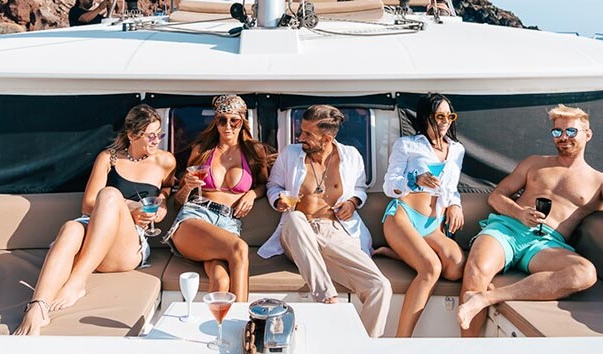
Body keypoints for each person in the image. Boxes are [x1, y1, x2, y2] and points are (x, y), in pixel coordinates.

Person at [456, 104, 603, 336]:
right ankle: (469, 349)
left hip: (546, 245)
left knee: (585, 273)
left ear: (587, 134)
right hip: (507, 229)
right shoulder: (534, 163)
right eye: (557, 132)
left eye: (571, 132)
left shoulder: (601, 182)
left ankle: (487, 297)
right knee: (476, 270)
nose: (563, 138)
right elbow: (497, 196)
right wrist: (519, 213)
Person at [14, 104, 176, 335]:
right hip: (94, 228)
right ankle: (37, 307)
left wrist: (162, 199)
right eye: (150, 135)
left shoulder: (165, 161)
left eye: (159, 134)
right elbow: (88, 204)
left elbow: (169, 186)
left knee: (110, 194)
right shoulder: (108, 158)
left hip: (127, 245)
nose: (156, 140)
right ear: (131, 135)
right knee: (72, 226)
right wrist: (128, 206)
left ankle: (77, 281)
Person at [259, 105, 392, 338]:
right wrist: (278, 200)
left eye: (308, 134)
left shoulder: (351, 156)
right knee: (294, 216)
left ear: (327, 137)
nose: (301, 138)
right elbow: (273, 186)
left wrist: (352, 202)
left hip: (335, 231)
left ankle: (364, 349)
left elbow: (359, 189)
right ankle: (326, 297)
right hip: (297, 232)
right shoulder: (290, 154)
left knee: (380, 287)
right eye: (302, 131)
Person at [165, 95, 268, 302]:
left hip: (228, 224)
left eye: (234, 120)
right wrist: (187, 186)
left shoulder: (254, 152)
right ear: (216, 122)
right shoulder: (202, 151)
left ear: (243, 121)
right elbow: (178, 201)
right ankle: (242, 322)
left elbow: (264, 185)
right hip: (196, 216)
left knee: (221, 281)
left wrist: (251, 194)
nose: (227, 126)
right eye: (222, 120)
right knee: (239, 248)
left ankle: (215, 330)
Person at [380, 93, 465, 337]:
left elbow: (451, 187)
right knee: (431, 268)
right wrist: (414, 180)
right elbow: (389, 186)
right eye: (440, 115)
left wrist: (455, 205)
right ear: (426, 116)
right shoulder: (407, 145)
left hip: (432, 224)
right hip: (403, 216)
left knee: (455, 268)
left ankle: (398, 254)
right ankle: (402, 342)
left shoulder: (457, 150)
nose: (445, 120)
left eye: (450, 115)